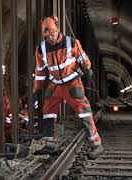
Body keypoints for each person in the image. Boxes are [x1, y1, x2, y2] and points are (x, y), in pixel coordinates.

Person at [33, 16, 103, 159]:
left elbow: (82, 57)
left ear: (57, 29)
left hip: (72, 83)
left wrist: (87, 66)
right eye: (47, 36)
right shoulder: (41, 49)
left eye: (52, 34)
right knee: (47, 111)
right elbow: (40, 71)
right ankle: (50, 144)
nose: (51, 38)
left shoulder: (71, 43)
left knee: (83, 112)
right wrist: (37, 88)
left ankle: (96, 145)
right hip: (55, 85)